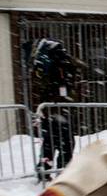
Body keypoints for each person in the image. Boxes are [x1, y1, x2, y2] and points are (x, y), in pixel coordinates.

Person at [25, 38, 79, 180]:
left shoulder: (43, 64)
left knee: (51, 141)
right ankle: (62, 172)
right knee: (65, 142)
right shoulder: (59, 62)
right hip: (58, 108)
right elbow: (64, 84)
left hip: (49, 108)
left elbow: (41, 87)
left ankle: (44, 169)